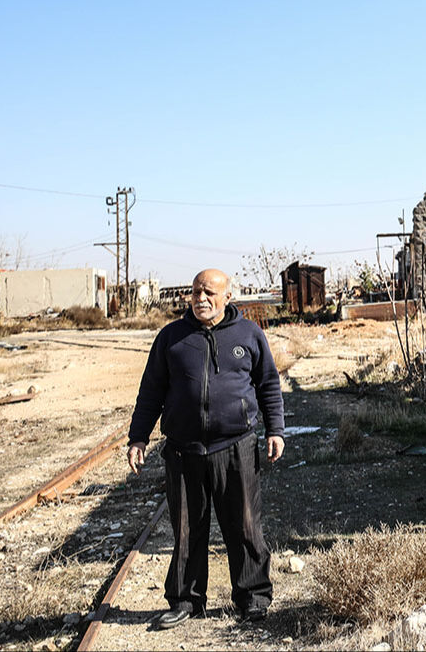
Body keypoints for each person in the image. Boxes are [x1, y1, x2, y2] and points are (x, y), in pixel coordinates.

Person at [127, 268, 285, 629]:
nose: (201, 298)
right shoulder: (171, 338)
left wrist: (275, 430)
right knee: (185, 528)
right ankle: (186, 600)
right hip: (184, 451)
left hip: (236, 446)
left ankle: (253, 598)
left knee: (244, 524)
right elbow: (151, 391)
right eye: (196, 292)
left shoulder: (249, 334)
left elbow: (268, 385)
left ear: (228, 296)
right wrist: (138, 437)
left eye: (210, 292)